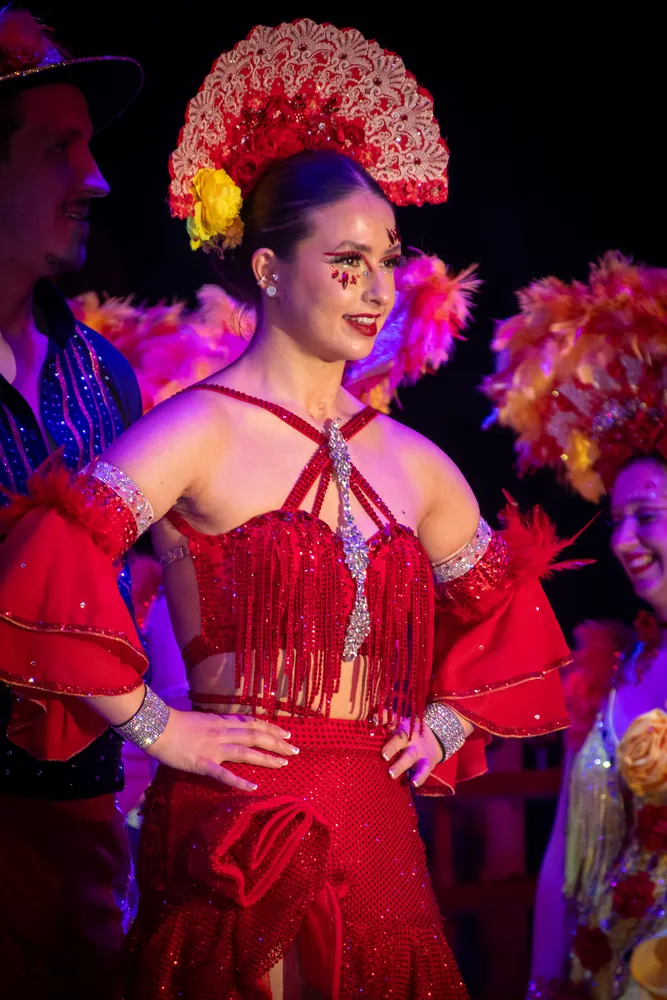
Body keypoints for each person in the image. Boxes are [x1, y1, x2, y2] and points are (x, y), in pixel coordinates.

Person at [0, 19, 572, 1000]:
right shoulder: (197, 428)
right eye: (346, 262)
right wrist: (157, 727)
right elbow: (46, 562)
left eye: (388, 260)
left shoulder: (415, 463)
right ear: (268, 270)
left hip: (379, 838)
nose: (377, 290)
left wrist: (440, 725)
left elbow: (510, 613)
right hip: (236, 830)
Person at [0, 9, 144, 998]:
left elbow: (140, 591)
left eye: (89, 148)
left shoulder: (104, 376)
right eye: (60, 150)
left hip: (87, 825)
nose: (96, 180)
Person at [483, 252, 667, 1000]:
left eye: (646, 517)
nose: (624, 541)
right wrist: (541, 981)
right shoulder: (616, 670)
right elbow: (564, 850)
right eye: (616, 520)